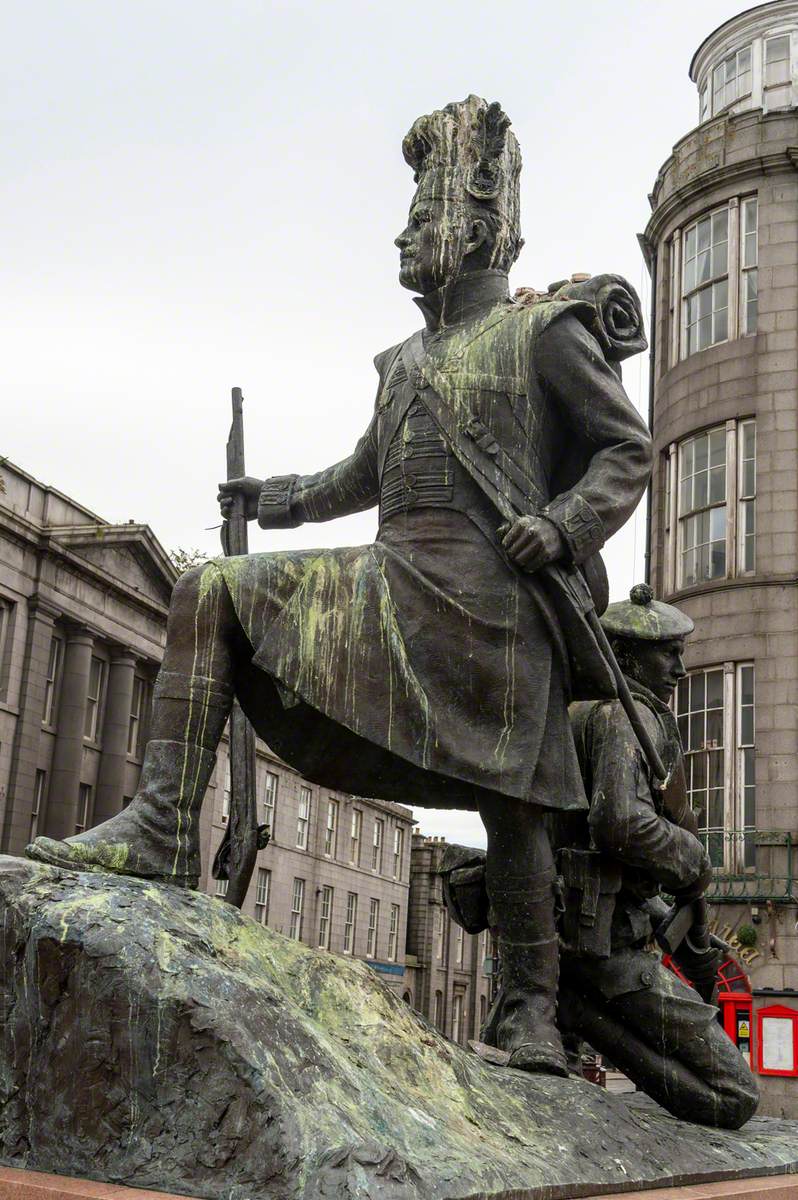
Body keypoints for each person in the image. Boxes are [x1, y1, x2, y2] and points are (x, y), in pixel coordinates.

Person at [27, 95, 652, 1077]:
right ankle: (160, 830)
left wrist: (564, 525)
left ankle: (530, 1007)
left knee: (517, 807)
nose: (403, 233)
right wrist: (274, 498)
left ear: (476, 223)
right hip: (396, 581)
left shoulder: (544, 333)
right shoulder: (403, 360)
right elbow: (365, 472)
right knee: (214, 591)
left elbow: (626, 451)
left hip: (496, 598)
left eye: (420, 211)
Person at [444, 583, 758, 1125]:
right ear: (627, 656)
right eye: (669, 653)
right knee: (735, 1096)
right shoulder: (623, 716)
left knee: (544, 1113)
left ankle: (570, 1010)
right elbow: (620, 824)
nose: (680, 668)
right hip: (604, 950)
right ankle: (582, 1011)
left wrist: (666, 913)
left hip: (581, 927)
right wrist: (693, 858)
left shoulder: (566, 712)